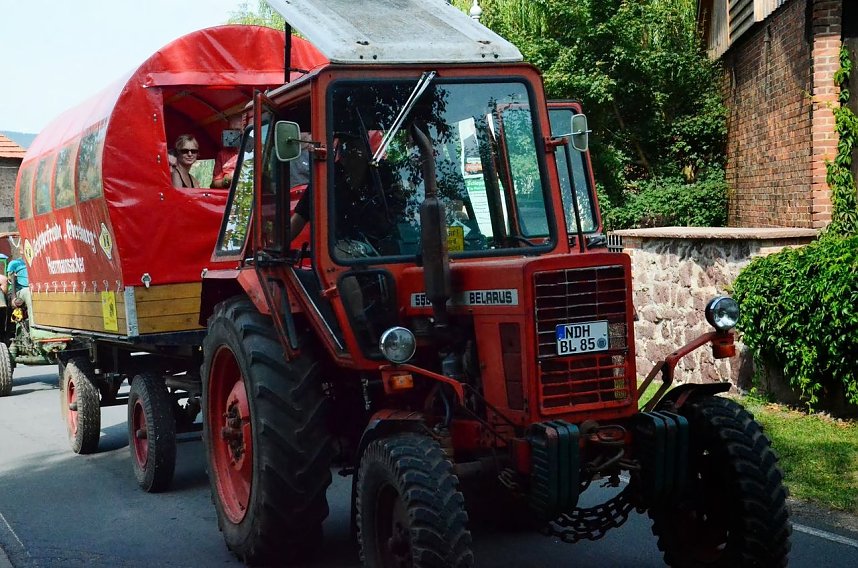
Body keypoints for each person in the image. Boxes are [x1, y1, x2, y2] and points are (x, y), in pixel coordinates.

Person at [211, 116, 243, 189]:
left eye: (237, 130)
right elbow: (214, 183)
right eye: (231, 130)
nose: (233, 134)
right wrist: (227, 180)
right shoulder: (222, 154)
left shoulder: (254, 152)